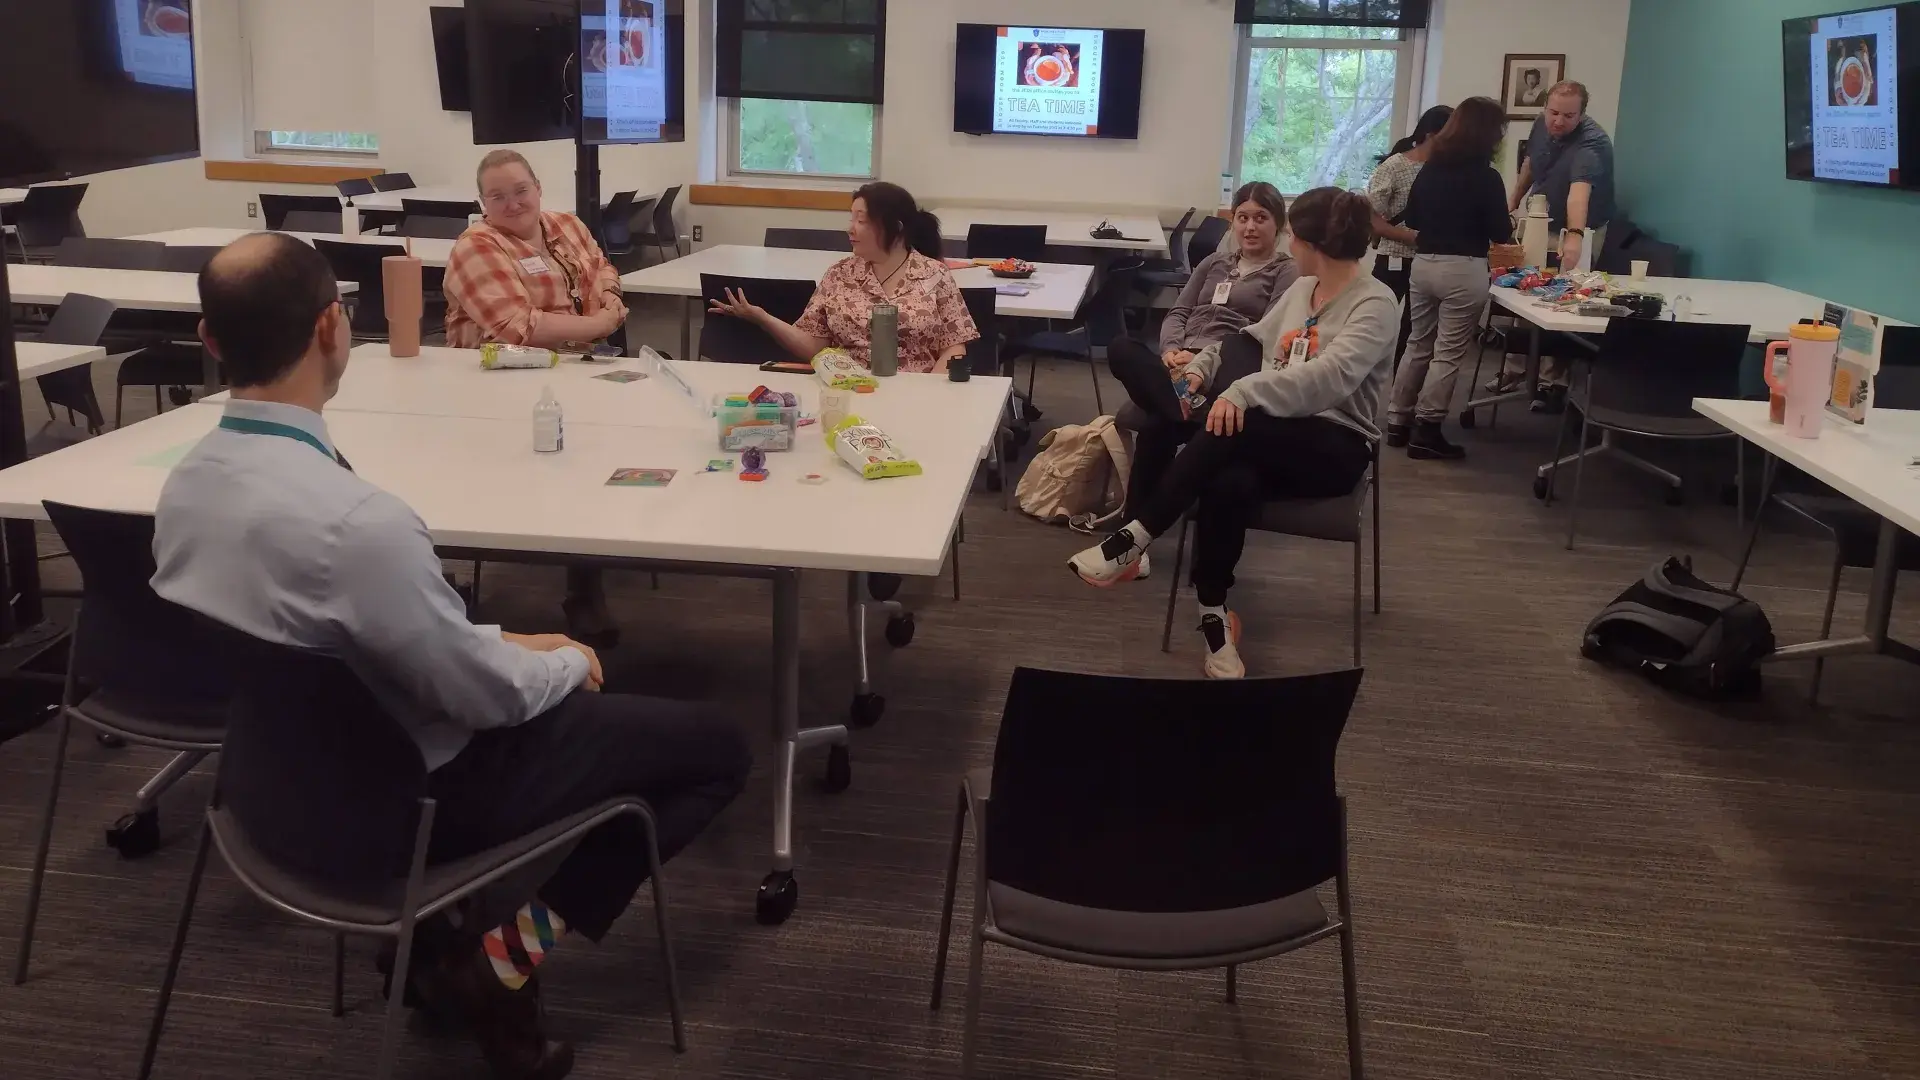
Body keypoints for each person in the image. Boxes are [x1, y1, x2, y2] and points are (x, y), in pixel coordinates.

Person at [151, 233, 751, 1080]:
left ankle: (436, 942)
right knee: (717, 751)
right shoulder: (359, 523)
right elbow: (483, 700)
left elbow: (345, 641)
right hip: (409, 798)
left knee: (514, 665)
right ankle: (504, 959)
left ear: (210, 341)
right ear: (334, 328)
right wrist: (567, 660)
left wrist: (503, 636)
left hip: (268, 788)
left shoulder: (184, 489)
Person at [1071, 188, 1396, 679]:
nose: (1289, 243)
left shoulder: (1374, 303)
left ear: (1310, 242)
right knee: (1229, 480)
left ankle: (1137, 533)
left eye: (1291, 235)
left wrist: (1241, 393)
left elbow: (1329, 379)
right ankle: (1214, 612)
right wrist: (1203, 369)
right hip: (1269, 433)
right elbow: (1246, 340)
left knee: (1237, 421)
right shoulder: (1302, 290)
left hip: (1335, 442)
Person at [444, 149, 630, 645]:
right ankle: (576, 583)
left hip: (577, 373)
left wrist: (608, 295)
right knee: (556, 468)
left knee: (594, 465)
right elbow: (516, 327)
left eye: (520, 190)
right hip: (501, 388)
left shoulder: (566, 225)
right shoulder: (475, 247)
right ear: (482, 202)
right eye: (497, 196)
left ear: (538, 187)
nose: (512, 203)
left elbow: (602, 268)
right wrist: (602, 321)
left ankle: (585, 580)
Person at [1108, 181, 1299, 579]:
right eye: (1242, 218)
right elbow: (1178, 312)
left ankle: (1132, 539)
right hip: (1176, 366)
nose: (1249, 227)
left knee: (1157, 424)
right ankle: (1180, 406)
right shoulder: (1214, 263)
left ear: (1278, 224)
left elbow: (1267, 332)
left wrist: (1202, 360)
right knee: (1122, 348)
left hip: (1225, 371)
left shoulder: (1287, 272)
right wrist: (1171, 350)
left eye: (1260, 218)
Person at [706, 181, 978, 373]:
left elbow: (954, 347)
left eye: (862, 221)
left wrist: (928, 395)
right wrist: (762, 318)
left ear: (896, 229)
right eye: (851, 219)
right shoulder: (839, 274)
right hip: (847, 390)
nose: (851, 229)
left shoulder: (934, 274)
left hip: (915, 393)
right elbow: (815, 345)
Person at [1385, 97, 1515, 462]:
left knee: (1417, 343)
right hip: (1463, 268)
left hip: (1424, 265)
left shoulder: (1430, 169)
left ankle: (1397, 421)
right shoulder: (1487, 177)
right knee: (1448, 353)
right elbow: (1501, 233)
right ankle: (1427, 430)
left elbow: (1411, 218)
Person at [1496, 80, 1616, 412]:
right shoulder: (1541, 124)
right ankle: (1517, 370)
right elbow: (1530, 164)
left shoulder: (1592, 144)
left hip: (1582, 226)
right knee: (1525, 287)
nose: (1558, 121)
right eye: (1553, 113)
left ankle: (1554, 382)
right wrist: (1512, 203)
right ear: (1544, 108)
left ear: (1582, 114)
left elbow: (1580, 193)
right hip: (1541, 216)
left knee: (1563, 301)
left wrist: (1574, 236)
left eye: (1568, 115)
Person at [1366, 104, 1453, 367]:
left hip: (1430, 261)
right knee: (1375, 320)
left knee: (1416, 330)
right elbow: (1372, 218)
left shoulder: (1449, 170)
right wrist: (1411, 237)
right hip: (1394, 258)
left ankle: (1400, 388)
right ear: (1430, 134)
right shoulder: (1395, 166)